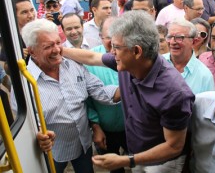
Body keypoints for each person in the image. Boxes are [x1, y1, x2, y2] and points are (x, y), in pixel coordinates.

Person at [63, 10, 194, 172]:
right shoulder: (127, 63)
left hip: (162, 163)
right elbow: (91, 57)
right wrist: (60, 51)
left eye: (116, 47)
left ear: (137, 51)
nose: (111, 52)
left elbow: (174, 147)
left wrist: (127, 160)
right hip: (136, 156)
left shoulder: (175, 93)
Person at [21, 18, 120, 173]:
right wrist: (39, 135)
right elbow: (25, 123)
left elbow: (100, 91)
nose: (57, 50)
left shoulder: (73, 66)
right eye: (48, 46)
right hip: (52, 151)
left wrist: (127, 88)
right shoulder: (25, 82)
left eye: (58, 43)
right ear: (32, 51)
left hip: (83, 144)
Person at [87, 17, 128, 173]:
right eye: (108, 37)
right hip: (104, 131)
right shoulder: (89, 60)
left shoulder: (132, 56)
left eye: (117, 36)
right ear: (100, 37)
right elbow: (85, 99)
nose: (113, 42)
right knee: (115, 169)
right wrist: (95, 127)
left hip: (132, 130)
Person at [163, 19, 215, 94]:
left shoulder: (205, 76)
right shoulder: (156, 63)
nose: (172, 42)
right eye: (169, 37)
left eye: (179, 37)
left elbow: (208, 105)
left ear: (193, 41)